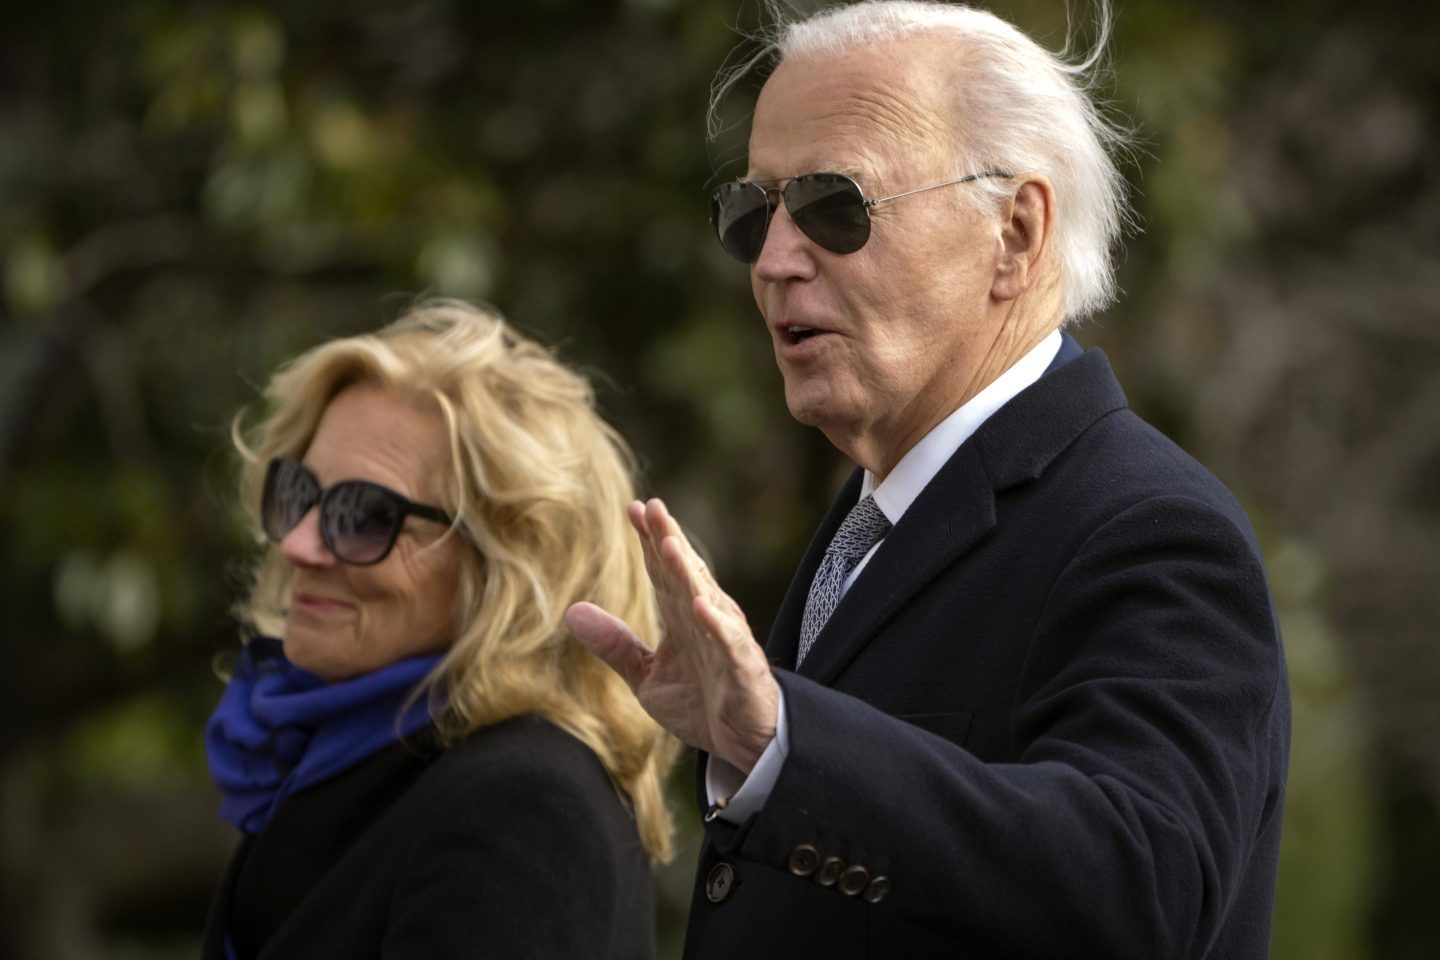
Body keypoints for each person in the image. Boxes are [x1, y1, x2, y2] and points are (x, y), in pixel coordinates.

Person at [566, 2, 1290, 958]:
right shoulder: (877, 511)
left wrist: (791, 742)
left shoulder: (1149, 525)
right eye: (755, 213)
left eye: (835, 206)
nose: (777, 260)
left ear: (1016, 234)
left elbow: (1144, 888)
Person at [202, 299, 676, 959]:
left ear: (504, 566)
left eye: (364, 515)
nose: (299, 546)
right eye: (298, 494)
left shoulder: (525, 808)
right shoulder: (341, 760)